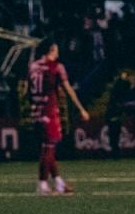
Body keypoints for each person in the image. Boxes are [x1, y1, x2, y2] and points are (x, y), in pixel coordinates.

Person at [28, 40, 89, 195]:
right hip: (49, 110)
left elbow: (28, 89)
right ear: (52, 50)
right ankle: (42, 184)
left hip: (36, 110)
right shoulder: (57, 67)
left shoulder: (33, 66)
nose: (58, 51)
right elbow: (68, 89)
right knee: (48, 148)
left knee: (48, 147)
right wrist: (81, 109)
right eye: (56, 49)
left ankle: (59, 184)